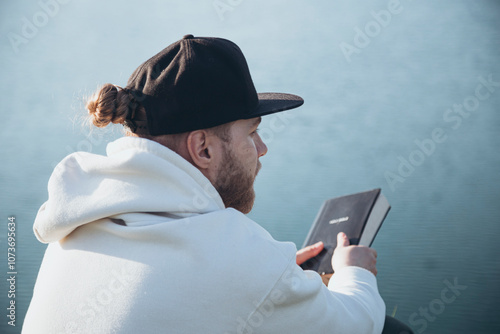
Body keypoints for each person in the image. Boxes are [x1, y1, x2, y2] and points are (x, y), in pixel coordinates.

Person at [23, 34, 412, 334]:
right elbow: (356, 325)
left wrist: (274, 284)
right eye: (252, 133)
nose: (262, 149)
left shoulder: (75, 226)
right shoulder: (231, 252)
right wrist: (352, 272)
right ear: (203, 148)